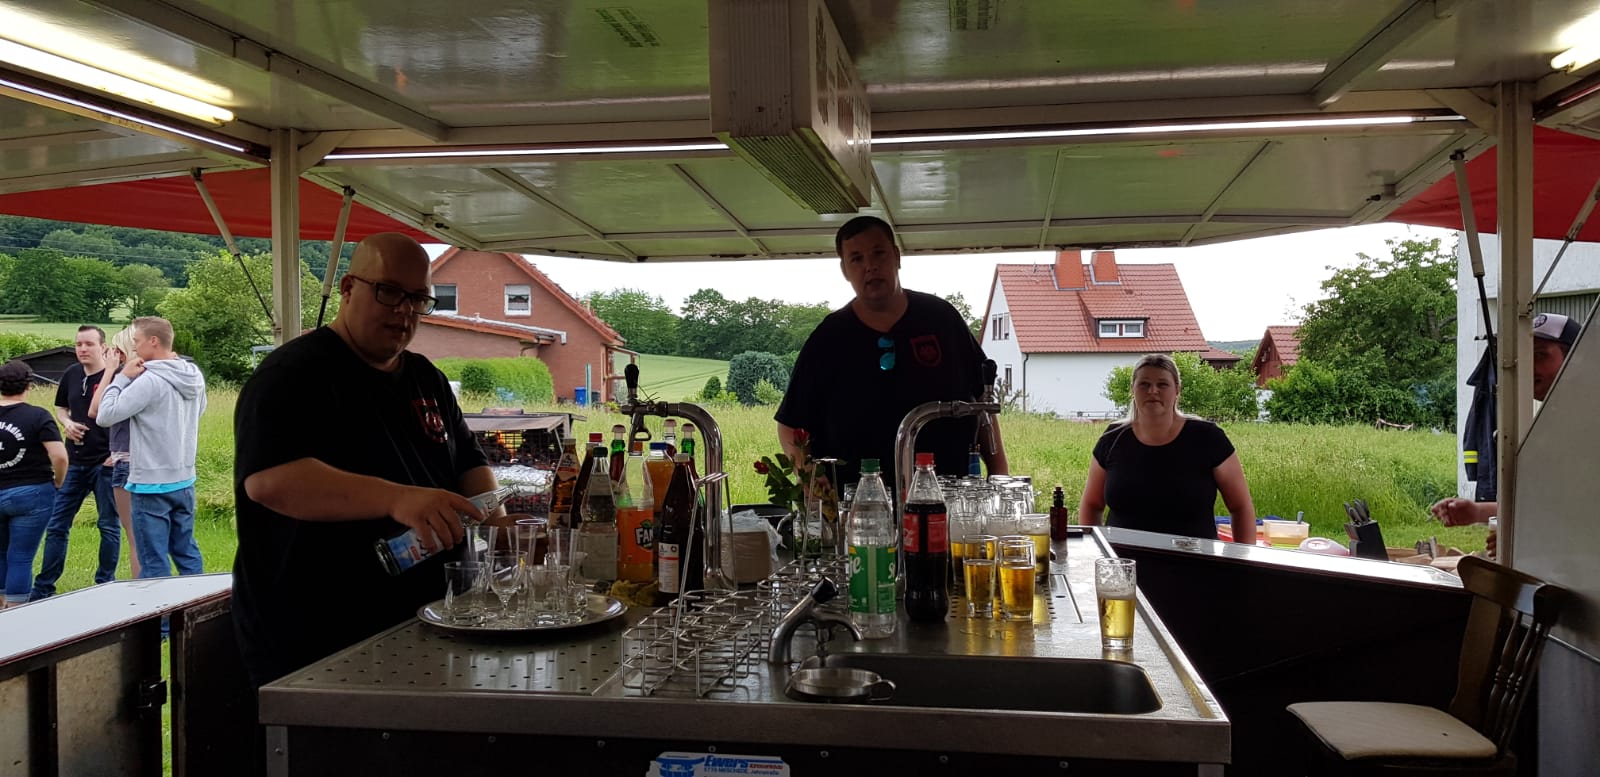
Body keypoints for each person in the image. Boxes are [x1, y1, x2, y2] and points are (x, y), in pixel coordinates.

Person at [231, 232, 502, 687]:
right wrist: (397, 499)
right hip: (319, 635)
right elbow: (271, 482)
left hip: (428, 620)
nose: (405, 310)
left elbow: (468, 465)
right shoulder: (293, 374)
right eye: (389, 292)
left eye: (418, 299)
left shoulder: (425, 377)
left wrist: (497, 522)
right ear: (348, 288)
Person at [775, 215, 1008, 491]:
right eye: (857, 259)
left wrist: (999, 474)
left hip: (948, 497)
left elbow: (982, 403)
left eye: (879, 253)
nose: (870, 266)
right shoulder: (829, 338)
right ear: (845, 270)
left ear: (897, 257)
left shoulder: (942, 319)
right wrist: (807, 474)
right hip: (859, 503)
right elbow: (790, 425)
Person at [1431, 313, 1582, 541]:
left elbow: (1580, 514)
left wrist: (1525, 539)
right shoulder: (1555, 421)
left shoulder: (1586, 422)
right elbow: (1548, 506)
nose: (1529, 366)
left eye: (1540, 355)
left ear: (1576, 359)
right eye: (1525, 356)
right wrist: (1477, 512)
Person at [1078, 353, 1258, 543]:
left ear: (1177, 390)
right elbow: (1092, 504)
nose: (1152, 391)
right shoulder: (1112, 439)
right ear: (1133, 389)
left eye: (1162, 384)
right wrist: (1093, 550)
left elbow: (1240, 506)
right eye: (1144, 384)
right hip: (1122, 558)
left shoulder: (1208, 438)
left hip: (1193, 559)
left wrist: (1243, 557)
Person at [95, 317, 207, 581]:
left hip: (150, 483)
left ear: (153, 341)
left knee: (153, 560)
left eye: (137, 341)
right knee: (186, 552)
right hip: (184, 478)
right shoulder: (193, 375)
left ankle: (161, 610)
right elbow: (199, 411)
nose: (134, 347)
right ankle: (200, 602)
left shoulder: (149, 380)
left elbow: (105, 415)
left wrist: (121, 378)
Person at [30, 325, 121, 600]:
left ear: (102, 347)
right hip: (74, 461)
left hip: (106, 462)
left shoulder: (117, 376)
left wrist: (119, 452)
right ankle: (44, 587)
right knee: (57, 525)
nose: (82, 349)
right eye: (79, 344)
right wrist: (67, 423)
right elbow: (60, 407)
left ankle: (105, 583)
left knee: (108, 525)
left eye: (89, 344)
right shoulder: (71, 373)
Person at [1, 360, 68, 608]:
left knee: (0, 553)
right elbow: (59, 456)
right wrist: (58, 481)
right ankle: (16, 611)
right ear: (29, 385)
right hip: (32, 493)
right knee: (20, 556)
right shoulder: (38, 416)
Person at [89, 325, 140, 578]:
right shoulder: (159, 376)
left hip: (126, 459)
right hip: (157, 461)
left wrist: (110, 371)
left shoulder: (127, 378)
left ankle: (143, 593)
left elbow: (96, 411)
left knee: (135, 537)